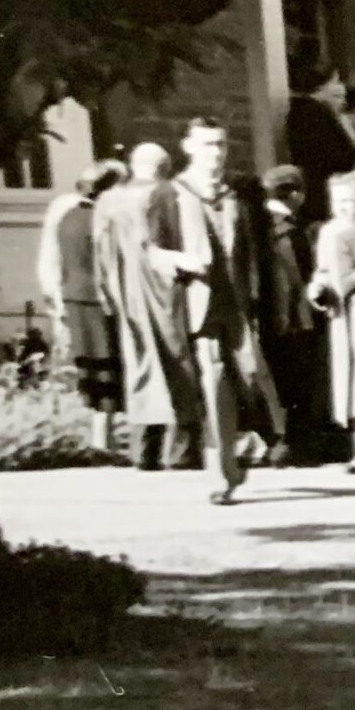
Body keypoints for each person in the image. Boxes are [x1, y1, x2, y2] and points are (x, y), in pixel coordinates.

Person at [154, 119, 278, 503]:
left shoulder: (242, 193)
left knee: (252, 376)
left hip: (240, 301)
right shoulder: (169, 194)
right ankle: (221, 474)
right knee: (214, 379)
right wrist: (183, 260)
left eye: (221, 144)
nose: (216, 152)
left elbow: (261, 248)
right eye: (207, 144)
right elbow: (151, 251)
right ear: (188, 146)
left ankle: (249, 442)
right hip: (200, 302)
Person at [92, 143, 195, 470]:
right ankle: (179, 452)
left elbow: (101, 252)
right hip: (167, 290)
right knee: (178, 362)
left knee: (140, 365)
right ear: (165, 167)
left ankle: (144, 451)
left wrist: (108, 292)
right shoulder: (169, 195)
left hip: (126, 294)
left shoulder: (108, 201)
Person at [36, 160, 128, 453]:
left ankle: (101, 436)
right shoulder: (102, 219)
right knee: (108, 364)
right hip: (99, 299)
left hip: (73, 295)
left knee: (92, 365)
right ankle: (103, 438)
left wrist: (54, 297)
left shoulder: (65, 213)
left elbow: (50, 257)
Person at [308, 170, 355, 479]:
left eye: (348, 200)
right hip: (340, 314)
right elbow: (324, 269)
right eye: (336, 200)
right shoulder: (329, 231)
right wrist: (317, 286)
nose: (341, 207)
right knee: (349, 380)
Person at [256, 165, 324, 464]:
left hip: (266, 316)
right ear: (296, 193)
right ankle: (295, 445)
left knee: (277, 380)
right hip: (293, 318)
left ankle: (283, 442)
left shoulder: (259, 225)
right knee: (297, 382)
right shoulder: (290, 231)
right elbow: (293, 279)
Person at [285, 67, 355, 222]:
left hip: (316, 187)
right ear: (322, 86)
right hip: (324, 190)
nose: (340, 86)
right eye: (336, 81)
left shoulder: (304, 110)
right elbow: (332, 156)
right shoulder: (314, 113)